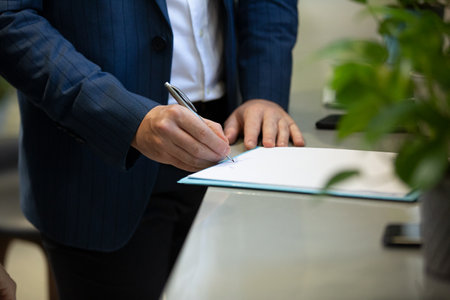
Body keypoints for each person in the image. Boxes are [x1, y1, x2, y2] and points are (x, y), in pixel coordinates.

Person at [0, 0, 303, 299]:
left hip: (230, 142)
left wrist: (265, 91)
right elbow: (10, 17)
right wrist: (123, 117)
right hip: (98, 161)